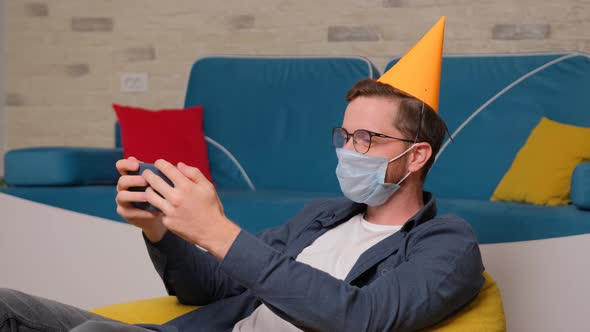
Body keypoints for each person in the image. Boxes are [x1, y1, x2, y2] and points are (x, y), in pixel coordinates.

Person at [0, 16, 484, 332]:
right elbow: (212, 289)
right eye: (346, 135)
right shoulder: (322, 218)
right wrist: (159, 228)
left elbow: (362, 318)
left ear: (417, 156)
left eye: (368, 140)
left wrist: (221, 231)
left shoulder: (445, 242)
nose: (349, 152)